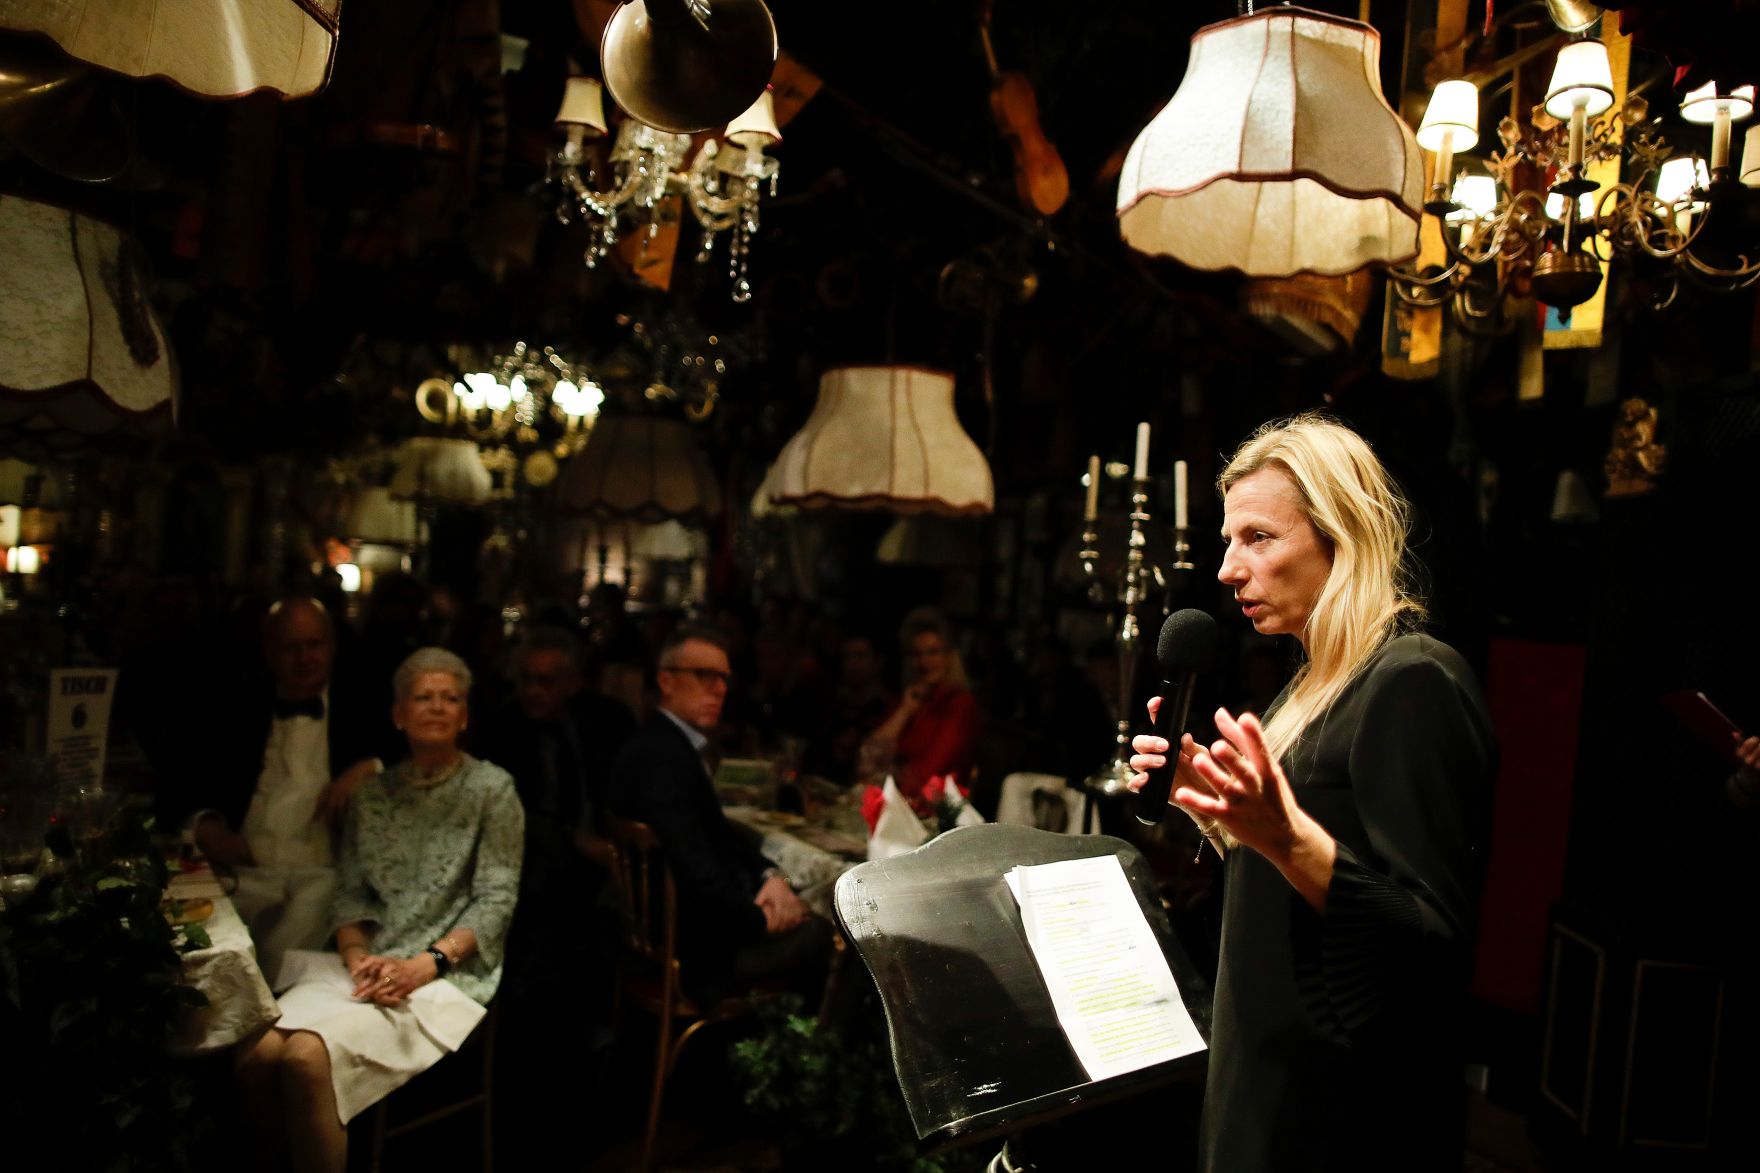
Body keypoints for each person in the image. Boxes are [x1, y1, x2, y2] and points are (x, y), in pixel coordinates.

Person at [1129, 413, 1495, 1173]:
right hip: (1264, 1084)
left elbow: (1432, 946)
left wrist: (1287, 836)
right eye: (1230, 541)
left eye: (1258, 537)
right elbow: (1294, 888)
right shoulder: (1315, 687)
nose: (1229, 569)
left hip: (1340, 1119)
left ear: (1342, 535)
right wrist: (1216, 806)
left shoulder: (1414, 680)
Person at [235, 648, 523, 1173]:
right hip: (366, 963)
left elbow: (496, 899)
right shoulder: (371, 794)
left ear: (464, 715)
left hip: (446, 974)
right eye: (423, 697)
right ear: (398, 714)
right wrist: (357, 954)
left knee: (303, 1057)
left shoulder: (492, 789)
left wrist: (424, 964)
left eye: (450, 699)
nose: (437, 707)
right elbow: (351, 893)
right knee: (254, 1055)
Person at [608, 625, 831, 1003]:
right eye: (704, 675)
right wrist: (760, 920)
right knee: (830, 935)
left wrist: (768, 876)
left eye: (724, 678)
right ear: (666, 681)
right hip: (694, 951)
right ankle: (779, 1057)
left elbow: (718, 833)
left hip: (683, 933)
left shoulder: (668, 743)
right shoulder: (660, 758)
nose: (720, 689)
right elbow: (696, 872)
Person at [188, 597, 392, 981]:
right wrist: (208, 825)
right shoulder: (236, 707)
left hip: (320, 873)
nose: (304, 658)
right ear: (269, 651)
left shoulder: (362, 707)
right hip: (244, 872)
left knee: (283, 960)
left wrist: (368, 767)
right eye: (291, 647)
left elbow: (405, 759)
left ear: (332, 647)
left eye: (314, 645)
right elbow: (189, 784)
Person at [861, 607, 978, 796]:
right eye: (917, 654)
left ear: (949, 657)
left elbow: (929, 771)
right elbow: (868, 757)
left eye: (933, 652)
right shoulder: (911, 698)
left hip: (935, 809)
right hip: (897, 797)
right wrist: (904, 712)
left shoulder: (959, 704)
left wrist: (885, 779)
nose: (925, 662)